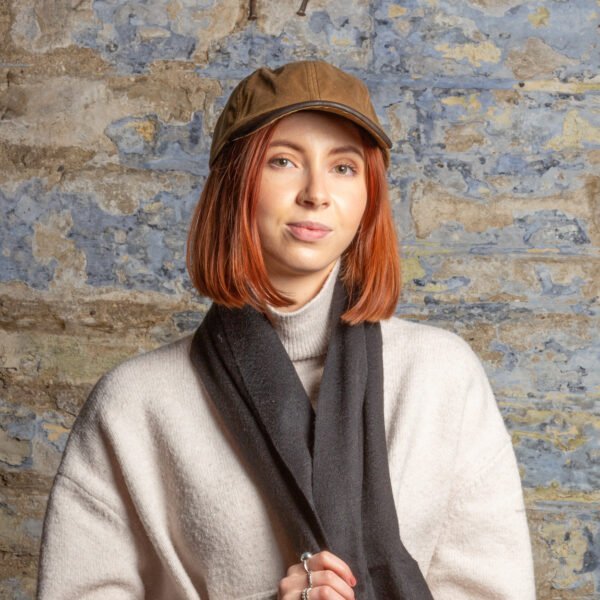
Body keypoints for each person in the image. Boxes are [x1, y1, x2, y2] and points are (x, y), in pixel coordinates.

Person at [37, 61, 536, 599]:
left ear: (369, 197)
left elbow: (494, 589)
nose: (316, 193)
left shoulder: (442, 377)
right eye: (283, 161)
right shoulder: (136, 403)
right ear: (235, 183)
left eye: (344, 167)